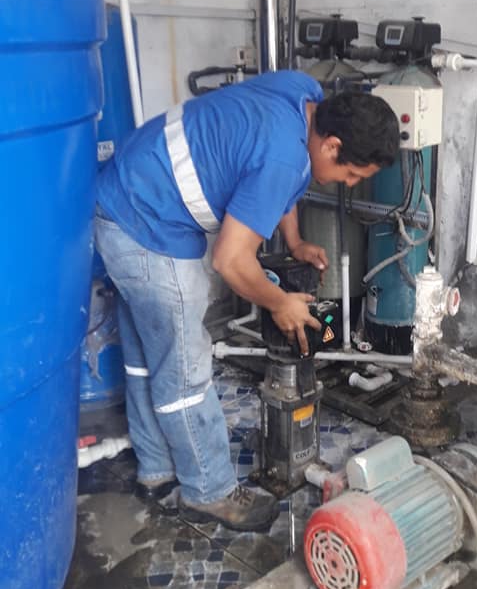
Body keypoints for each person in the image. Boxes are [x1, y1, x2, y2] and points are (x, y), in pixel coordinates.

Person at [94, 70, 399, 531]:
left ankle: (156, 468)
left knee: (145, 354)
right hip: (148, 224)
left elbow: (280, 179)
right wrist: (279, 302)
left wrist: (294, 241)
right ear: (332, 145)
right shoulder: (283, 156)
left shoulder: (304, 94)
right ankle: (209, 491)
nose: (351, 184)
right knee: (184, 369)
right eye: (351, 174)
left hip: (122, 191)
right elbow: (230, 261)